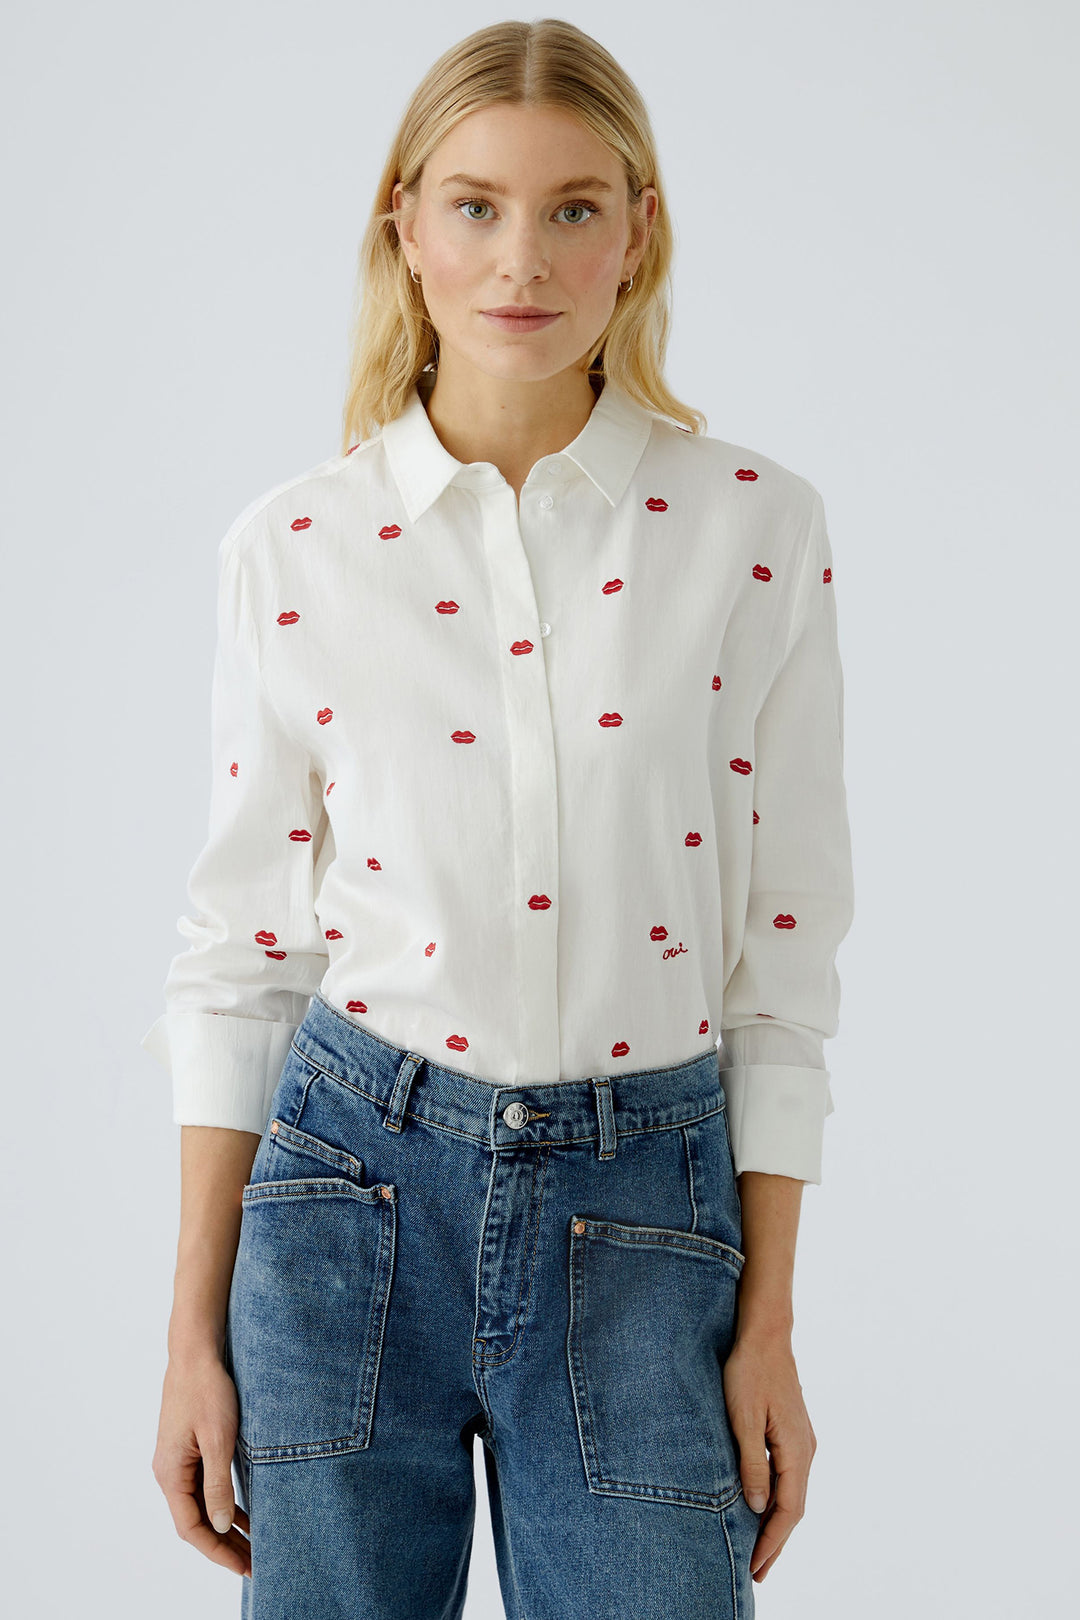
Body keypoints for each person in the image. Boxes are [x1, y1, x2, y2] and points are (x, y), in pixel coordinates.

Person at [144, 18, 854, 1619]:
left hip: (648, 1206)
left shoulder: (753, 530)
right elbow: (244, 953)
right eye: (473, 205)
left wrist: (771, 1323)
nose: (521, 257)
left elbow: (781, 961)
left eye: (574, 208)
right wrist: (192, 1332)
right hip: (345, 1203)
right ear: (404, 222)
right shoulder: (297, 549)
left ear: (640, 231)